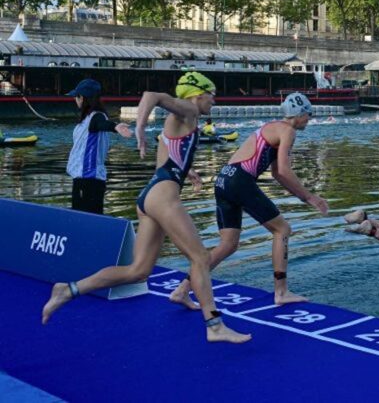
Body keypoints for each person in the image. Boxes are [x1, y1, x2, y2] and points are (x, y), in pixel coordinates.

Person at [42, 71, 250, 344]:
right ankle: (214, 325)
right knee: (200, 258)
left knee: (138, 271)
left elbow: (168, 158)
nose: (214, 101)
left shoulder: (181, 120)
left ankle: (68, 290)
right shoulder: (187, 109)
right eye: (212, 95)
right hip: (163, 197)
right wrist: (139, 127)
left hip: (151, 194)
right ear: (198, 94)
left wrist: (188, 172)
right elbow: (152, 96)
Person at [168, 92, 329, 308]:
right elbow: (284, 169)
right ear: (299, 114)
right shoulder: (288, 131)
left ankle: (182, 290)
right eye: (308, 114)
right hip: (239, 181)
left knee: (228, 245)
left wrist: (303, 197)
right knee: (282, 230)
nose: (309, 119)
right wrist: (310, 196)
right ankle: (281, 292)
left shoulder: (271, 127)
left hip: (223, 179)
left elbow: (277, 174)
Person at [65, 79, 132, 215]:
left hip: (89, 179)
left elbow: (102, 124)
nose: (74, 99)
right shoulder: (86, 119)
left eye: (75, 97)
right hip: (81, 178)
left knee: (87, 219)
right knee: (82, 218)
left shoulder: (96, 117)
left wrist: (115, 126)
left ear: (82, 98)